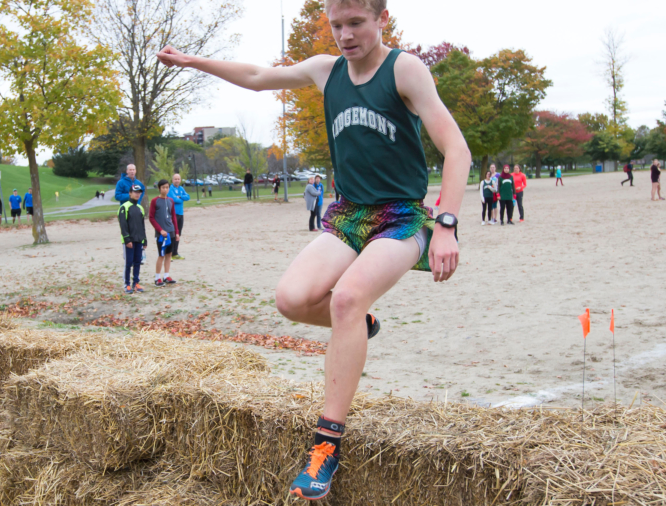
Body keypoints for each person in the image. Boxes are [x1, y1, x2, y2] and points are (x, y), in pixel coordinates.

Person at [157, 0, 468, 498]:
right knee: (292, 299)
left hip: (400, 217)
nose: (345, 35)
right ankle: (360, 329)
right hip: (348, 214)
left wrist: (447, 223)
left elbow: (457, 148)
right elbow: (259, 75)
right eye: (337, 25)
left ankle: (325, 447)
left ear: (381, 18)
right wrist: (195, 62)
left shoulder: (404, 69)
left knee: (346, 298)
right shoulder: (326, 72)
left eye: (356, 24)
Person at [149, 179, 180, 287]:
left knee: (169, 254)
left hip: (170, 231)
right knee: (161, 255)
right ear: (159, 188)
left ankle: (166, 276)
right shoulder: (155, 201)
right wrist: (160, 230)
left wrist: (176, 232)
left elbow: (174, 217)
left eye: (167, 187)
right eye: (163, 187)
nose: (165, 189)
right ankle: (157, 278)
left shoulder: (171, 200)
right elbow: (151, 217)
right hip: (161, 234)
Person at [118, 185, 147, 294]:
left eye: (139, 192)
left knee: (137, 262)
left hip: (138, 239)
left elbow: (142, 225)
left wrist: (144, 239)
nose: (137, 194)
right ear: (130, 193)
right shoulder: (124, 207)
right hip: (129, 241)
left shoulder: (140, 208)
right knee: (129, 262)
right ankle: (127, 284)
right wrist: (127, 240)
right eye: (135, 192)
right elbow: (123, 225)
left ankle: (136, 283)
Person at [168, 173, 191, 260]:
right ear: (172, 180)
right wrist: (181, 199)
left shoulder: (181, 189)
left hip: (180, 214)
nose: (177, 180)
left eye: (178, 179)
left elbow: (188, 197)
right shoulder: (170, 189)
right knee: (172, 234)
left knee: (178, 233)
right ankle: (169, 253)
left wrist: (180, 196)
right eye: (175, 179)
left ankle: (175, 253)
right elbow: (174, 200)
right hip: (173, 214)